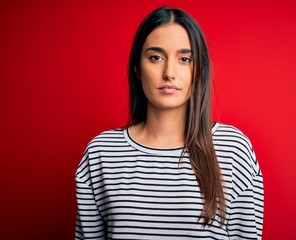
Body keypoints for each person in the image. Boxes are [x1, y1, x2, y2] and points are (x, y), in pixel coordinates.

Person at [75, 6, 264, 240]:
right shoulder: (101, 153)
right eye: (156, 57)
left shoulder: (233, 149)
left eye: (184, 59)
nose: (169, 73)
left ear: (198, 71)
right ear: (137, 67)